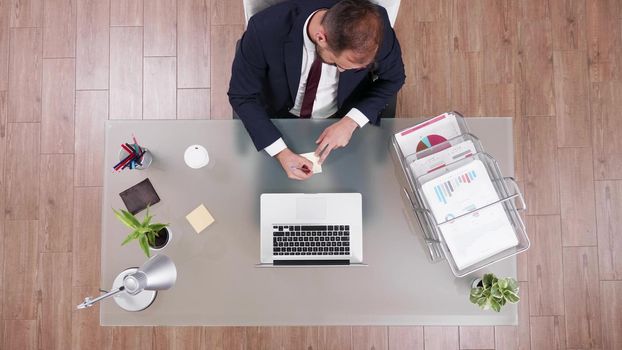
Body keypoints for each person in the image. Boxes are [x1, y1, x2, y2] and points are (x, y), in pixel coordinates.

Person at [228, 0, 405, 180]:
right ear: (321, 38)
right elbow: (241, 95)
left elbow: (394, 78)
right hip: (278, 118)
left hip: (345, 117)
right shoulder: (264, 29)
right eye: (338, 65)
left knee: (359, 194)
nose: (343, 71)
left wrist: (351, 121)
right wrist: (280, 152)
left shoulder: (374, 27)